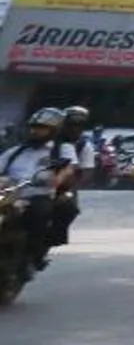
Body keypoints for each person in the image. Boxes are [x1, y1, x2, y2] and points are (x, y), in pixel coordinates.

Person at [1, 108, 81, 266]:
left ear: (54, 130)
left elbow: (69, 168)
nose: (35, 131)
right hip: (9, 194)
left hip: (38, 194)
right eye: (34, 127)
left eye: (41, 128)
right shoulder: (16, 151)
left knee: (40, 213)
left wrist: (57, 178)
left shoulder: (62, 149)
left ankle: (32, 256)